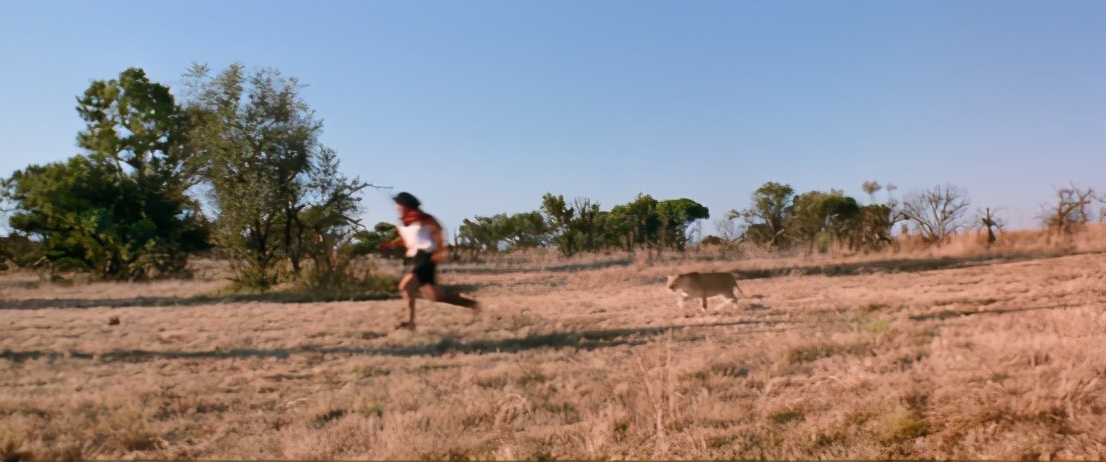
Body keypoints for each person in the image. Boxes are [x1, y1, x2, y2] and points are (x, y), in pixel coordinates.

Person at [379, 192, 478, 330]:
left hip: (426, 258)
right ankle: (472, 305)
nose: (396, 206)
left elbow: (438, 232)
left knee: (405, 287)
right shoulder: (402, 223)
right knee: (436, 297)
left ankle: (410, 322)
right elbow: (407, 240)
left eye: (398, 204)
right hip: (415, 258)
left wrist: (441, 250)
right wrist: (391, 245)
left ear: (404, 205)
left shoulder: (424, 218)